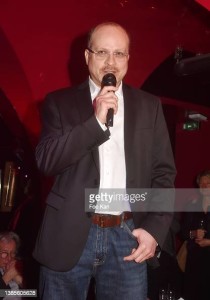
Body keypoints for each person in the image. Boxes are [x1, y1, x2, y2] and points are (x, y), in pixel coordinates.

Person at [33, 22, 176, 300]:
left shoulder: (150, 106)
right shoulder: (58, 103)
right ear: (87, 57)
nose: (111, 62)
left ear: (128, 59)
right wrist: (95, 123)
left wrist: (154, 230)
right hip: (68, 235)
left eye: (119, 54)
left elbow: (164, 173)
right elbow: (47, 161)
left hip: (128, 235)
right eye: (102, 52)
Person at [181, 170, 210, 300]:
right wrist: (193, 233)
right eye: (202, 183)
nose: (204, 186)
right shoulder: (191, 205)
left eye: (208, 183)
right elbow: (183, 233)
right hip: (194, 261)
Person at [0, 231, 23, 300]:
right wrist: (6, 278)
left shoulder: (15, 266)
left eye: (12, 253)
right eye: (4, 253)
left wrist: (20, 281)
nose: (9, 258)